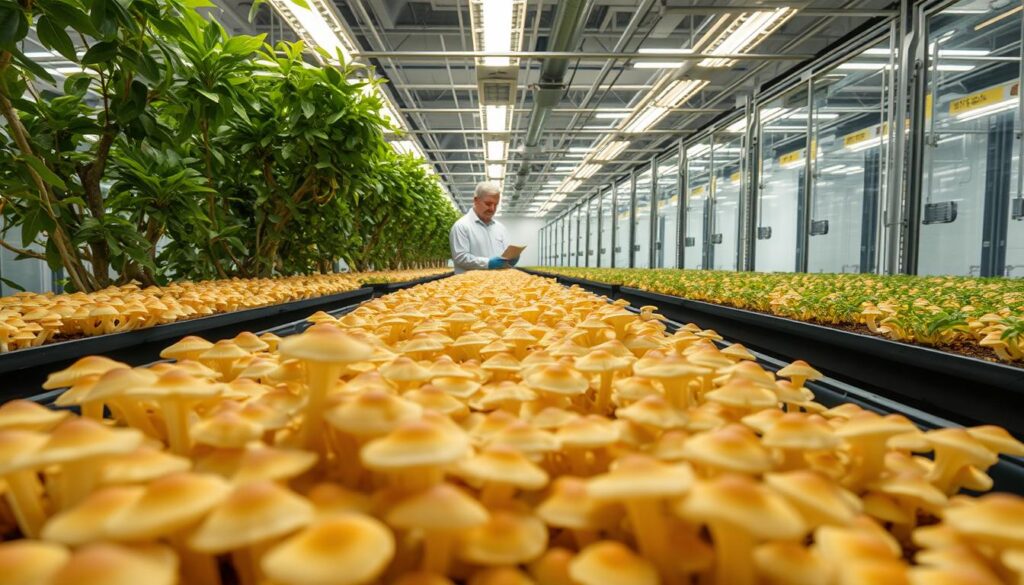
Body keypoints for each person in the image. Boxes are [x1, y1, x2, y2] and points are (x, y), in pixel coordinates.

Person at [449, 182, 517, 274]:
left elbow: (505, 255)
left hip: (498, 282)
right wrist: (488, 263)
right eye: (488, 204)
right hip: (469, 282)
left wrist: (512, 258)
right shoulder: (461, 226)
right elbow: (461, 258)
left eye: (496, 205)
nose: (492, 209)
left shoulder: (501, 228)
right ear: (476, 200)